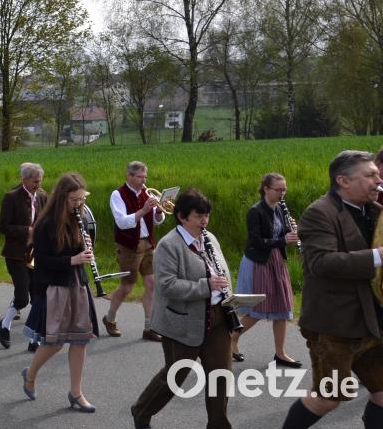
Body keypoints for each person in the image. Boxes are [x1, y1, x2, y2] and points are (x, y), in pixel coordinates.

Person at [279, 150, 383, 429]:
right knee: (329, 398)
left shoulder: (374, 211)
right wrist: (378, 256)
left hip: (371, 321)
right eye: (370, 175)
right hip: (334, 326)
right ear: (343, 180)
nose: (378, 180)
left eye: (377, 174)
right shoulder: (319, 212)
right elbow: (321, 263)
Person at [131, 189, 233, 429]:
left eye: (206, 215)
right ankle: (141, 411)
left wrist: (228, 296)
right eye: (199, 216)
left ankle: (219, 425)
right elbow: (167, 286)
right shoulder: (169, 245)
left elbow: (221, 273)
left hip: (217, 317)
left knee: (221, 376)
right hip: (181, 321)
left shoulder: (210, 238)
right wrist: (206, 286)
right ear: (182, 217)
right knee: (176, 375)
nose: (204, 221)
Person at [21, 173, 98, 412]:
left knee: (80, 340)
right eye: (74, 200)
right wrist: (73, 259)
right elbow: (42, 261)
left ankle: (76, 393)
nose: (78, 205)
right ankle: (30, 375)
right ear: (62, 197)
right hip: (55, 287)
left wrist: (86, 251)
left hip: (78, 284)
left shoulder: (80, 218)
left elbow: (79, 250)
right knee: (54, 343)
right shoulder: (45, 225)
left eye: (81, 199)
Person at [230, 173, 301, 367]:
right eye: (278, 189)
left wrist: (292, 231)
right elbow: (257, 242)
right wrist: (283, 240)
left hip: (276, 260)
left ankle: (280, 353)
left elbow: (280, 234)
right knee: (258, 308)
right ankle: (230, 338)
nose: (282, 193)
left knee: (283, 305)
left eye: (284, 189)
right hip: (258, 261)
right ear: (266, 189)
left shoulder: (279, 208)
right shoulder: (256, 211)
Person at [105, 161, 165, 342]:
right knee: (127, 287)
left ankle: (149, 327)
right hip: (129, 246)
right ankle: (110, 318)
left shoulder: (147, 194)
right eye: (139, 177)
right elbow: (122, 222)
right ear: (129, 176)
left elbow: (155, 221)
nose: (143, 181)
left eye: (145, 177)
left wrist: (159, 211)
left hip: (148, 244)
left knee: (152, 284)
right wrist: (144, 209)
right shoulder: (118, 194)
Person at [0, 162, 47, 351]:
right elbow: (2, 226)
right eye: (35, 181)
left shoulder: (42, 195)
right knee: (22, 297)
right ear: (24, 179)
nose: (38, 185)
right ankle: (5, 324)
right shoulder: (11, 197)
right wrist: (27, 231)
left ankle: (34, 338)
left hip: (37, 254)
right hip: (16, 255)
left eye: (40, 181)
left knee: (38, 296)